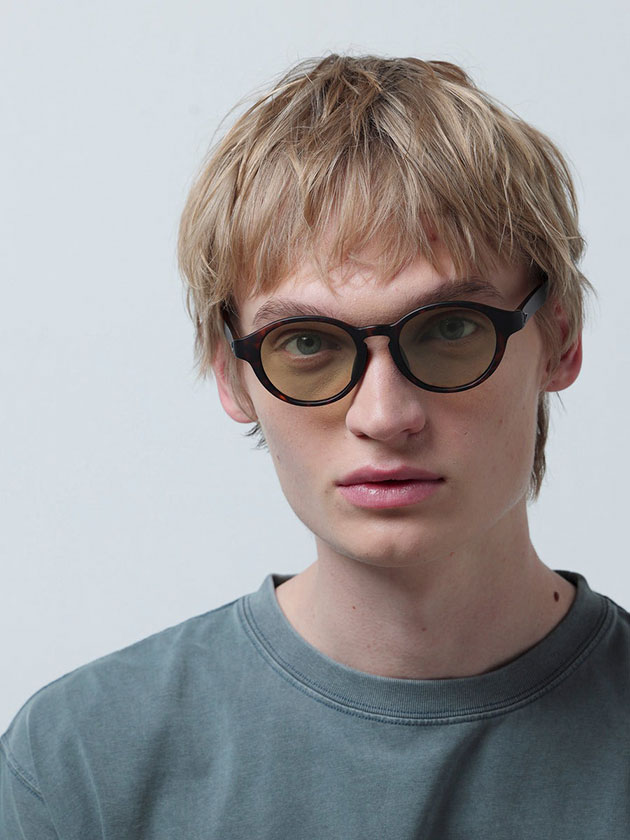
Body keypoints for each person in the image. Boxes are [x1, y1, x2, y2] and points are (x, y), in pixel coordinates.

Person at [1, 54, 627, 839]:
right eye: (307, 342)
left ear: (561, 339)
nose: (384, 415)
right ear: (232, 373)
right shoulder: (82, 763)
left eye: (449, 330)